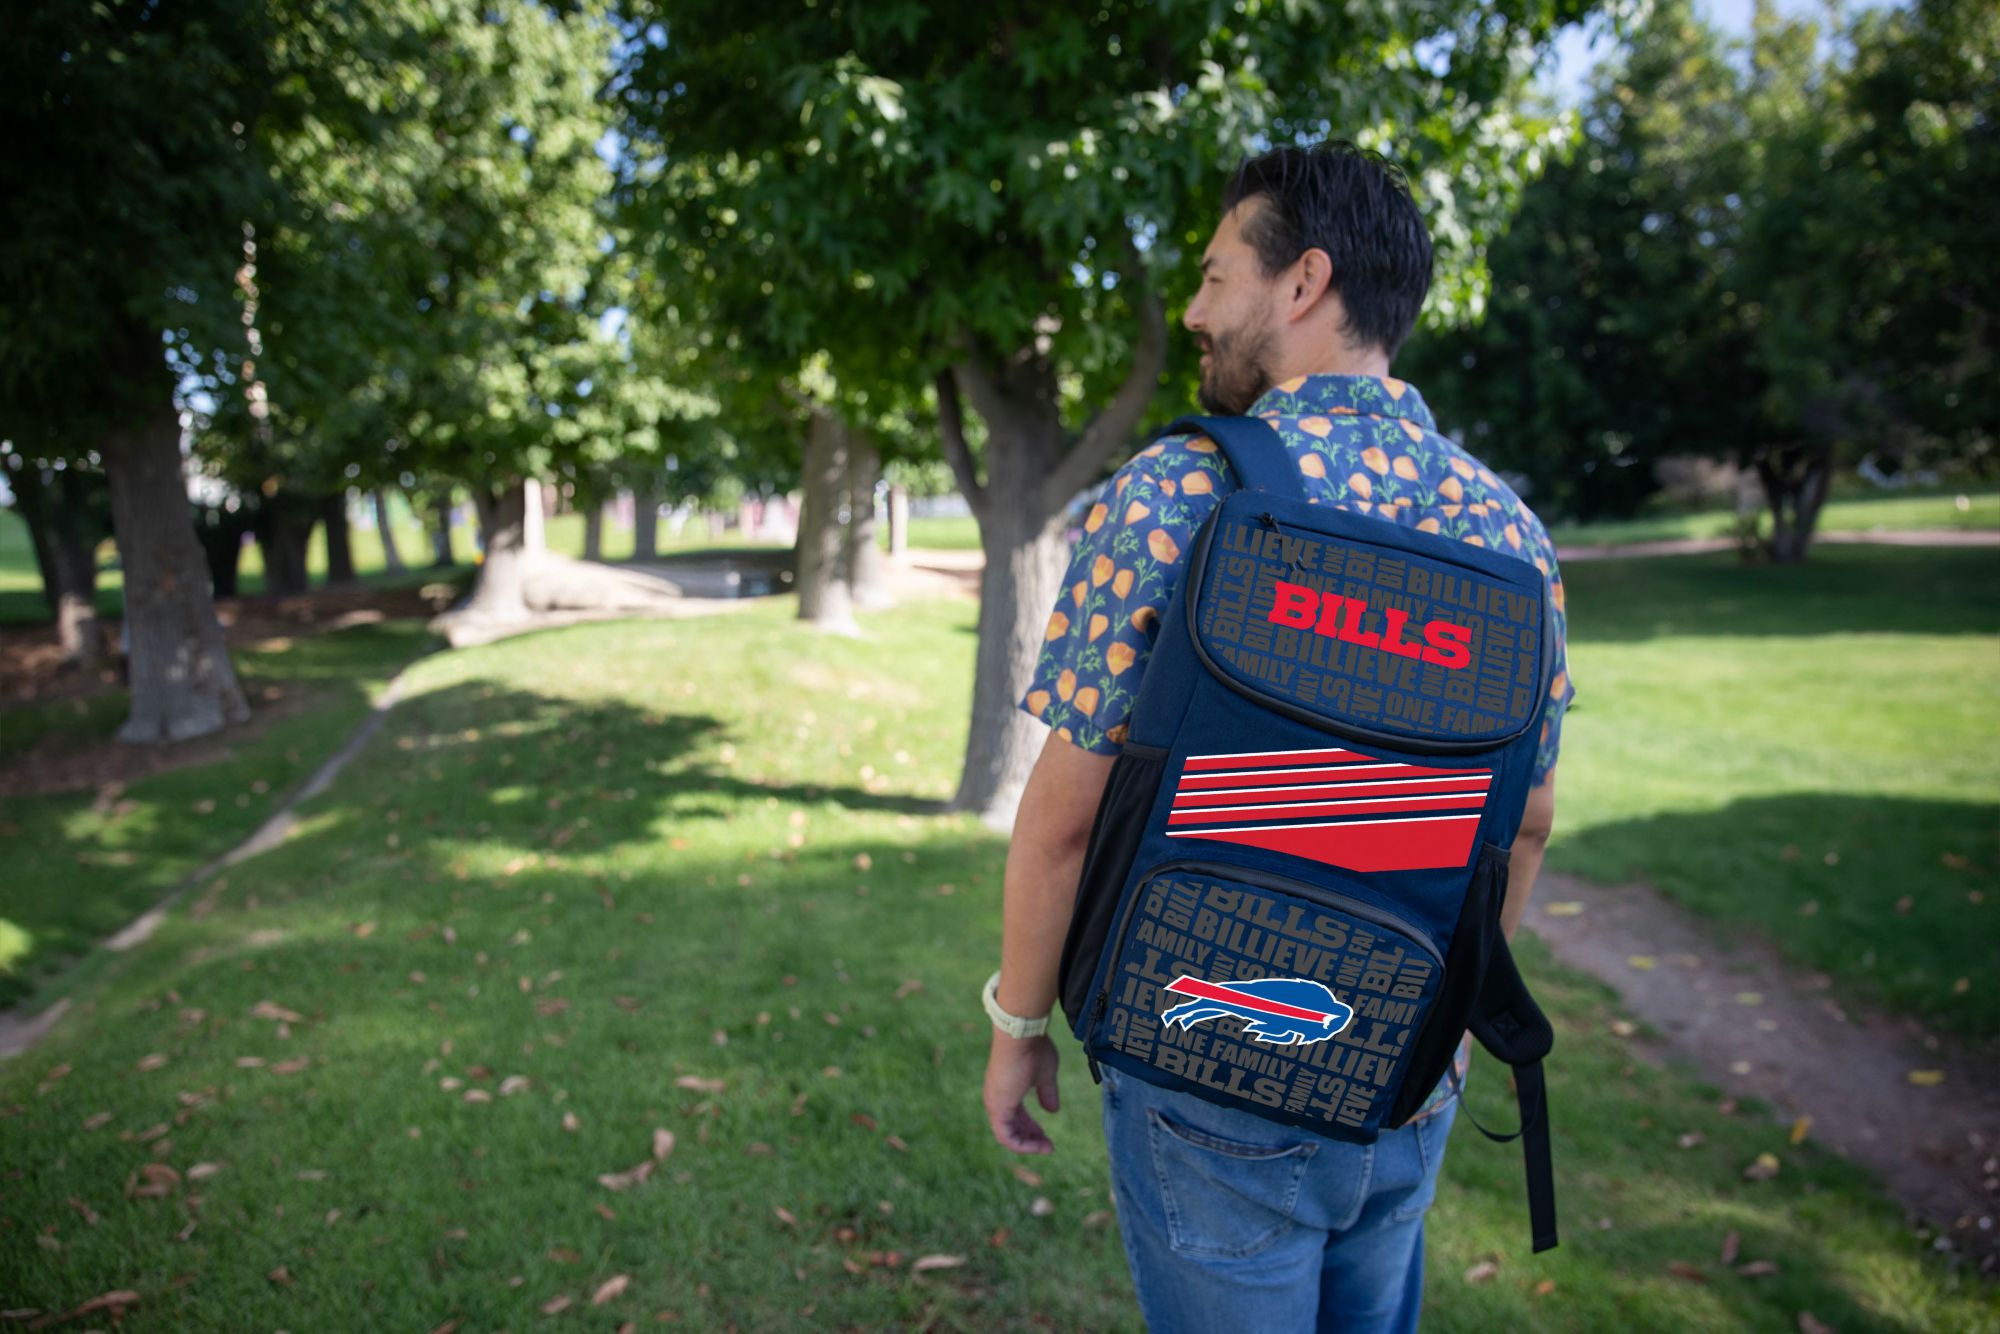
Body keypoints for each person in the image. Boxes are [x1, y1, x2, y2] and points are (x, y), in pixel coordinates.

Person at [979, 142, 1577, 1333]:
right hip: (1406, 1064)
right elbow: (1531, 819)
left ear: (1302, 282)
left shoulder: (1177, 491)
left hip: (1207, 1051)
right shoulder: (1508, 531)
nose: (1194, 311)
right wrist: (1441, 1018)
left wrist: (1016, 1027)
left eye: (1212, 276)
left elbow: (1061, 822)